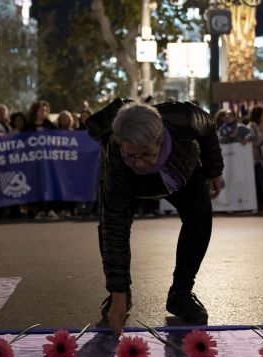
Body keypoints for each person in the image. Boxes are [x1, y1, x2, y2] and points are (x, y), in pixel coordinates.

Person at [86, 99, 224, 335]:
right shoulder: (117, 164)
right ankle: (122, 295)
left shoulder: (184, 117)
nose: (138, 162)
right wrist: (117, 291)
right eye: (132, 155)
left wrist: (213, 169)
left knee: (200, 218)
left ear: (160, 138)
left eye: (146, 154)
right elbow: (114, 230)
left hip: (183, 169)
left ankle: (180, 294)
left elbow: (208, 128)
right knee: (111, 225)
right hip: (129, 185)